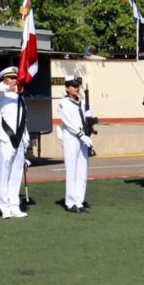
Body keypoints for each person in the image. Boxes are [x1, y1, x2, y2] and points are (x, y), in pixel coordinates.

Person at [0, 66, 29, 218]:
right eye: (11, 78)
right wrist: (9, 87)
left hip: (19, 139)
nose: (15, 80)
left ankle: (14, 205)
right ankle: (4, 206)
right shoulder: (1, 95)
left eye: (16, 78)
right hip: (7, 139)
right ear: (4, 79)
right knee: (4, 173)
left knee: (16, 173)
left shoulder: (20, 98)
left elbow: (23, 120)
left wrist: (26, 140)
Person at [58, 76, 92, 213]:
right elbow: (68, 121)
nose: (76, 88)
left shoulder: (82, 102)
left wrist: (91, 118)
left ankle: (79, 201)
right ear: (67, 88)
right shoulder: (63, 103)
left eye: (77, 86)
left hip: (83, 138)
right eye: (73, 86)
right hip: (72, 138)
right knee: (71, 170)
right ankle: (70, 202)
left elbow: (84, 118)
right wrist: (80, 135)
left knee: (82, 171)